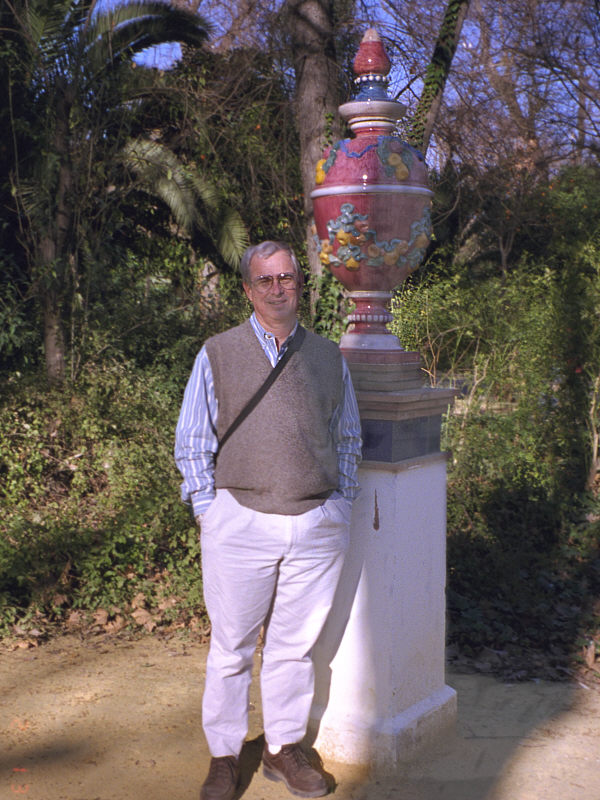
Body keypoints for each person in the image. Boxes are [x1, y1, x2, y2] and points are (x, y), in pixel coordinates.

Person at [175, 240, 361, 800]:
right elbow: (193, 441)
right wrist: (211, 513)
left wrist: (340, 505)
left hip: (315, 522)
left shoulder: (328, 356)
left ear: (300, 284)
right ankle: (225, 756)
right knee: (231, 647)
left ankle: (283, 747)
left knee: (293, 648)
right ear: (248, 289)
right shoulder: (218, 352)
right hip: (240, 520)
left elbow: (348, 435)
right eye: (266, 280)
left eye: (287, 277)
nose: (278, 288)